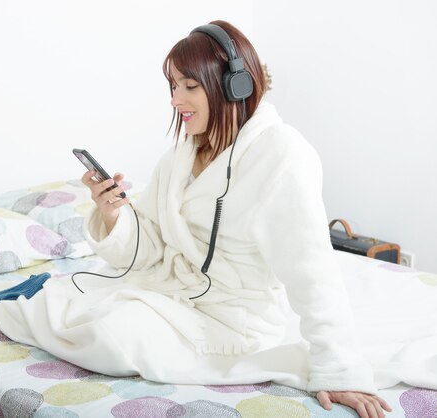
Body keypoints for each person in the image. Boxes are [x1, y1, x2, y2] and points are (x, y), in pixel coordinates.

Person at [80, 20, 392, 418]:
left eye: (189, 87)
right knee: (74, 307)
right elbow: (153, 244)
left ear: (234, 86)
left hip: (236, 326)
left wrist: (340, 370)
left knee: (108, 332)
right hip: (180, 299)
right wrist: (113, 214)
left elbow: (312, 270)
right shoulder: (179, 157)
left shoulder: (282, 155)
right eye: (173, 86)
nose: (177, 100)